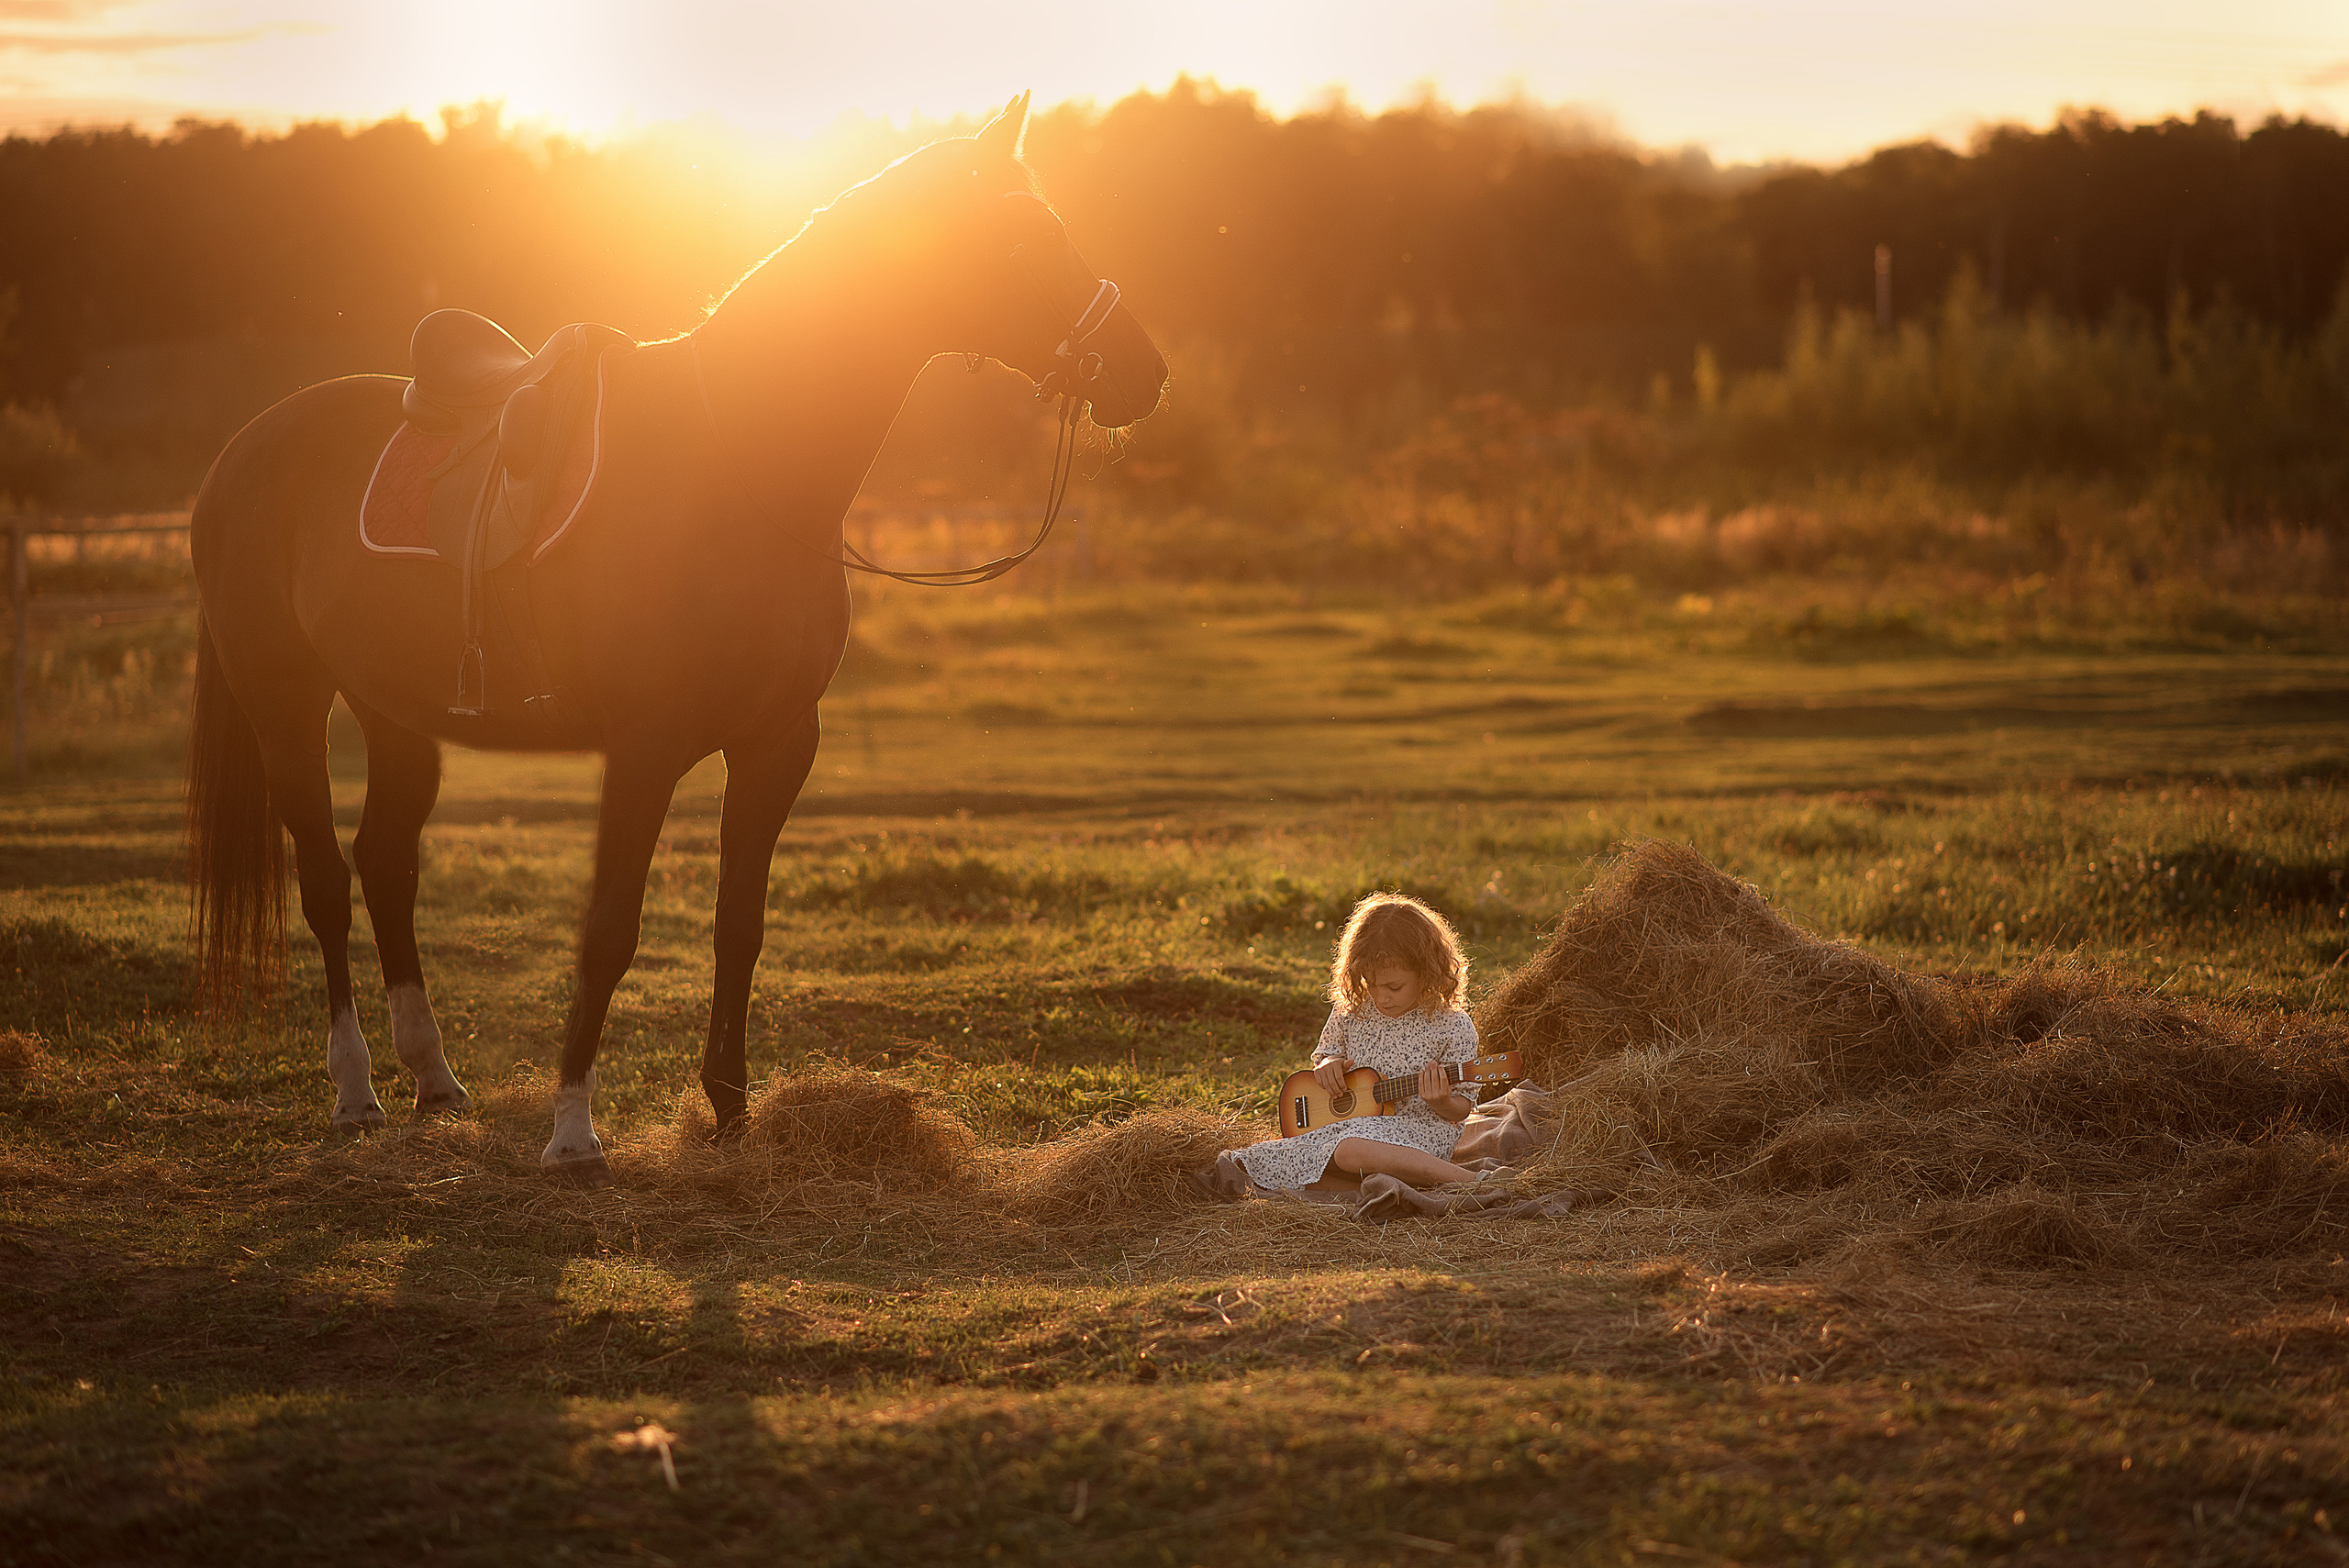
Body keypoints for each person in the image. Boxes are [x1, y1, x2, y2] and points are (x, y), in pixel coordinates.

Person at [1209, 892, 1485, 1196]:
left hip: (1421, 1132)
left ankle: (1473, 1180)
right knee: (1259, 1162)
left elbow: (1461, 1108)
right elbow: (1327, 1052)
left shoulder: (1452, 1025)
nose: (1381, 997)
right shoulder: (1354, 1010)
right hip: (1349, 1124)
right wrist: (1327, 1065)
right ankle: (1369, 1186)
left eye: (1394, 986)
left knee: (1348, 1151)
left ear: (1427, 971)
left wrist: (1441, 1101)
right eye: (1371, 983)